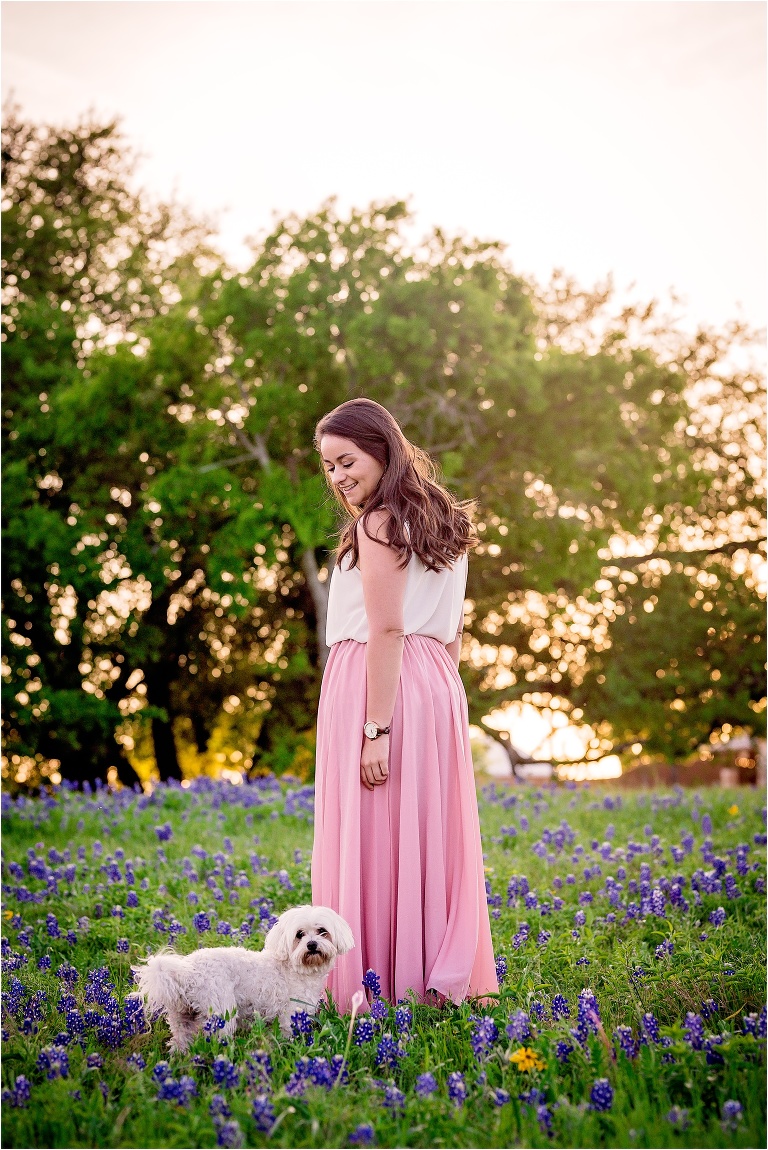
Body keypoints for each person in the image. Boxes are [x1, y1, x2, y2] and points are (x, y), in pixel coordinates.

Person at [311, 397, 498, 1013]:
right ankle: (426, 981)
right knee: (422, 830)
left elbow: (386, 629)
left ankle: (379, 987)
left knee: (375, 831)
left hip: (379, 682)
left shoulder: (380, 523)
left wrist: (376, 727)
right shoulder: (441, 519)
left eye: (347, 460)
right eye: (329, 466)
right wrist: (436, 699)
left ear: (382, 450)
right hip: (435, 680)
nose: (338, 477)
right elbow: (451, 631)